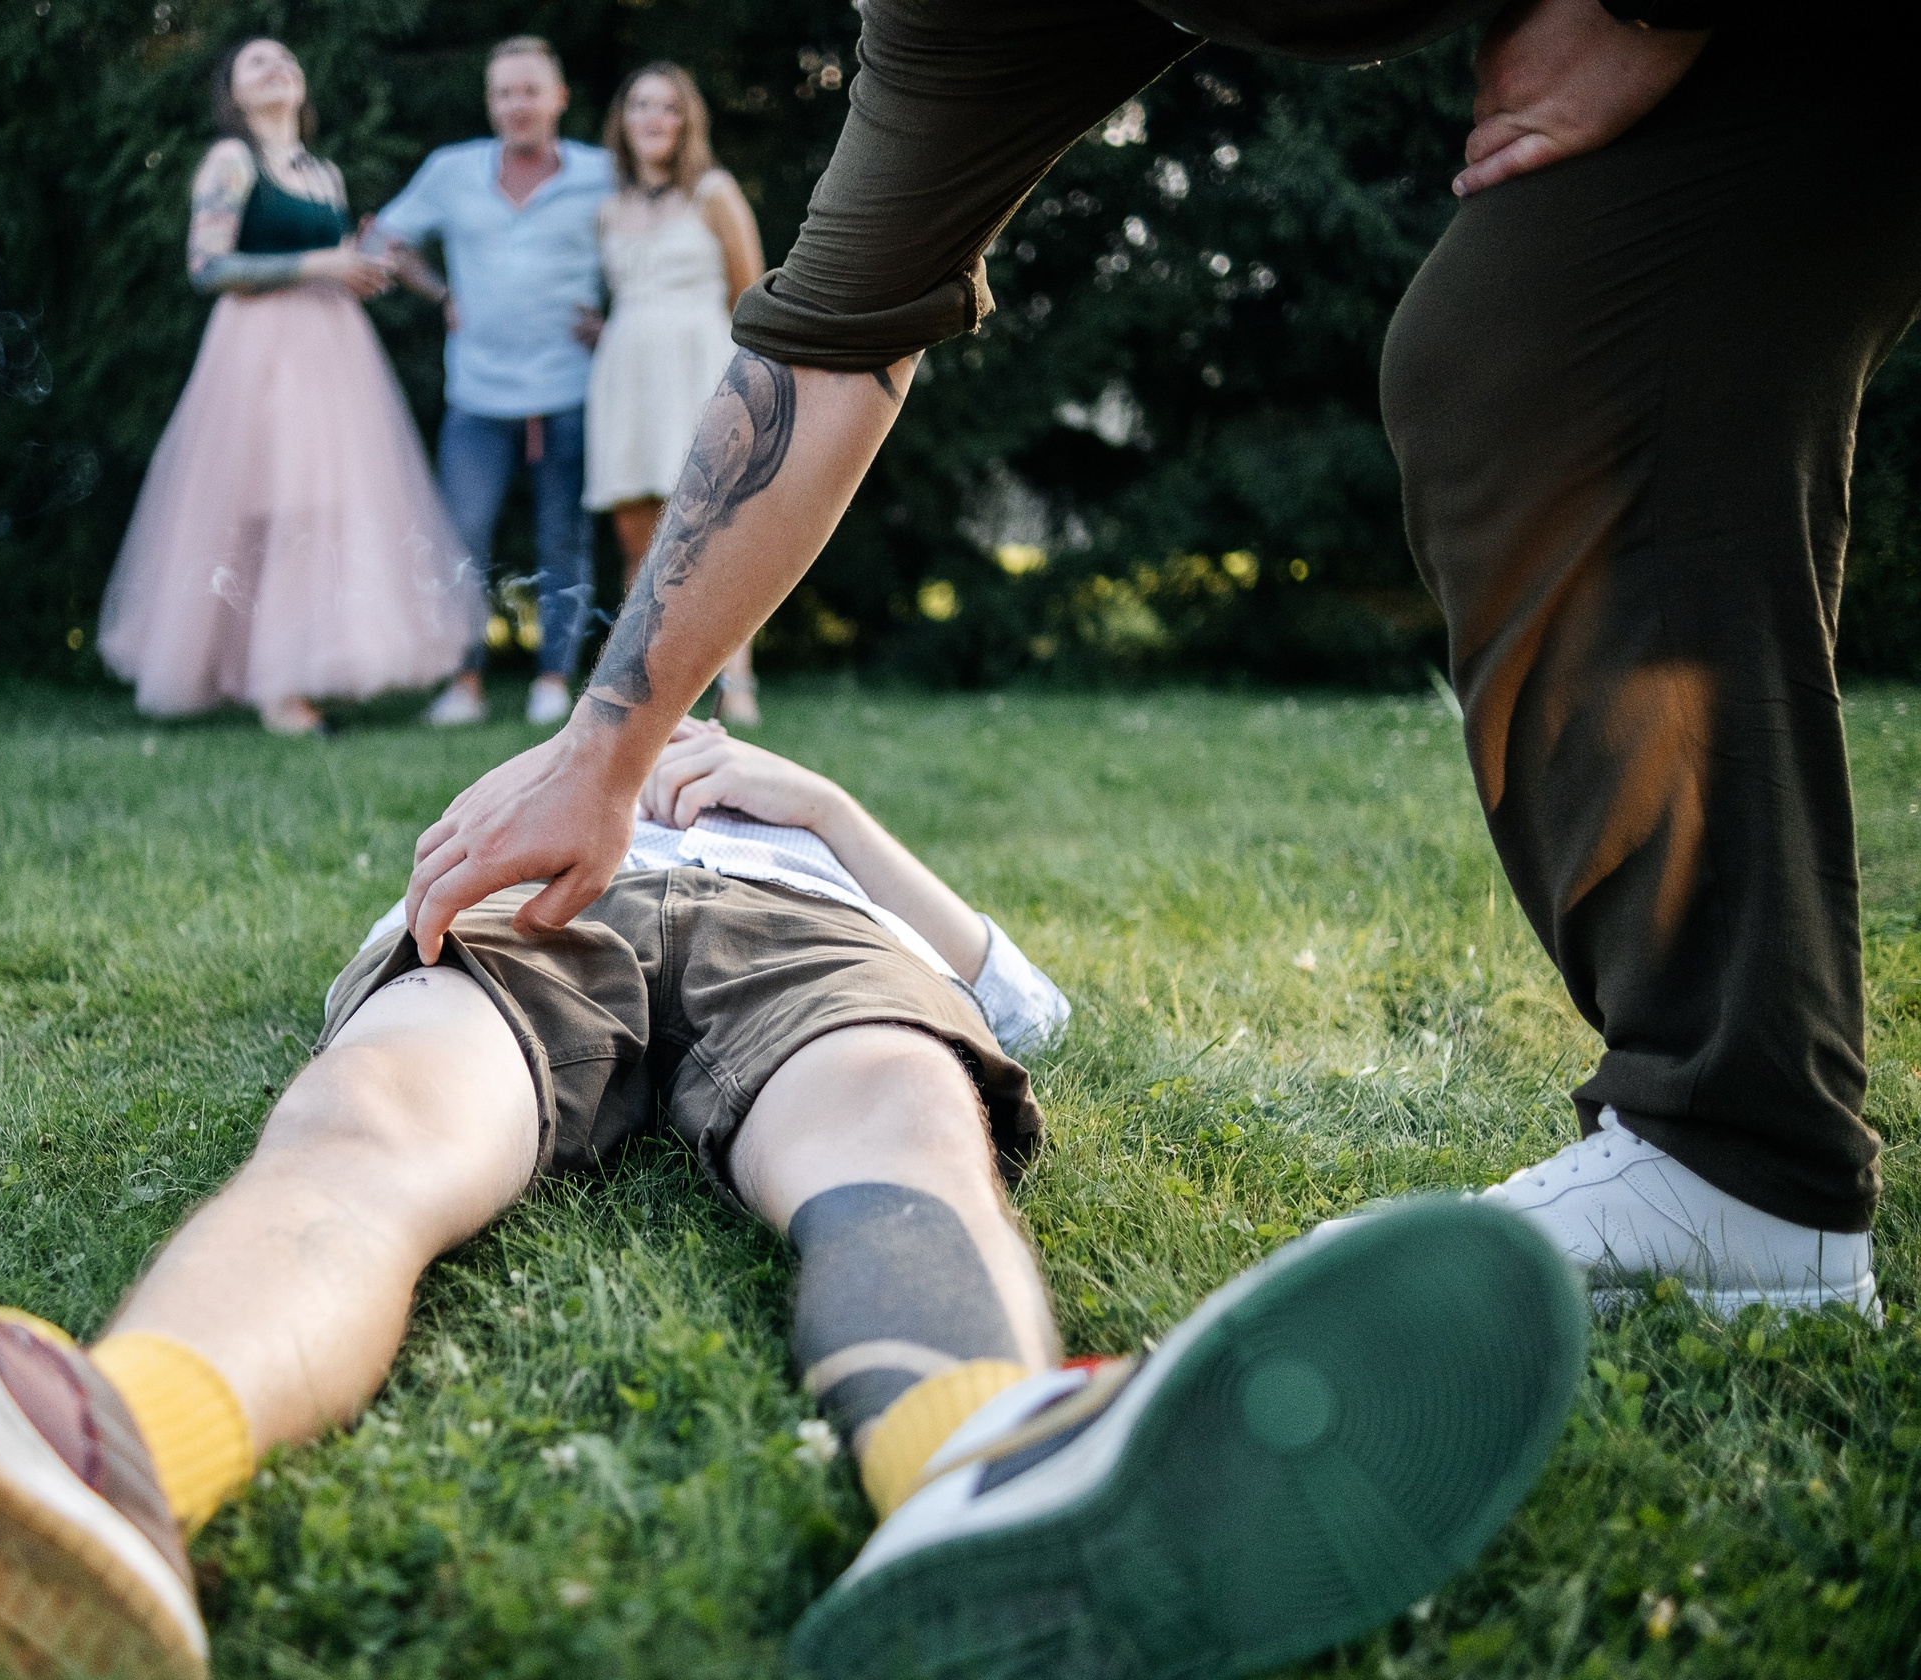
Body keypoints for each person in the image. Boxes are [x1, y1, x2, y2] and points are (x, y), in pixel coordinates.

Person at [398, 0, 1917, 1321]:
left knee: (1547, 344)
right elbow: (826, 345)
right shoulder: (950, 24)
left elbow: (1005, 1015)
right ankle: (1745, 1155)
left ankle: (1739, 1155)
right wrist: (606, 752)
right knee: (1510, 354)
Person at [0, 718, 1587, 1680]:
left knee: (897, 1117)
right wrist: (563, 803)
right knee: (364, 1129)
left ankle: (981, 1457)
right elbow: (386, 954)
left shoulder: (810, 831)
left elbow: (1022, 1005)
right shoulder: (540, 780)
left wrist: (802, 803)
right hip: (542, 924)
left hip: (806, 960)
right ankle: (106, 1457)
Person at [96, 37, 475, 734]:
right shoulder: (230, 162)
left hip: (333, 355)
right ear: (235, 96)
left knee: (322, 512)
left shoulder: (324, 173)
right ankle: (276, 692)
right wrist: (322, 264)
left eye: (286, 60)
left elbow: (332, 262)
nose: (276, 68)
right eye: (256, 64)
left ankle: (293, 676)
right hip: (258, 354)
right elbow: (208, 267)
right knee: (273, 513)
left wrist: (361, 266)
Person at [375, 37, 616, 729]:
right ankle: (463, 683)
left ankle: (551, 680)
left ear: (559, 98)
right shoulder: (451, 171)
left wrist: (617, 319)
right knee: (461, 537)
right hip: (477, 395)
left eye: (531, 91)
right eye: (505, 92)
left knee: (563, 537)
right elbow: (385, 238)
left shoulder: (601, 173)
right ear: (490, 102)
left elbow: (652, 239)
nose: (519, 105)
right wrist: (435, 289)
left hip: (569, 387)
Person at [585, 64, 767, 727]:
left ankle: (736, 678)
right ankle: (645, 686)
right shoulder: (608, 206)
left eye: (668, 107)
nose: (654, 119)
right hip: (627, 370)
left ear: (687, 121)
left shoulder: (714, 192)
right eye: (640, 106)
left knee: (713, 532)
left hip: (700, 367)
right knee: (638, 535)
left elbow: (750, 293)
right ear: (623, 120)